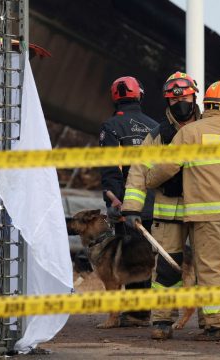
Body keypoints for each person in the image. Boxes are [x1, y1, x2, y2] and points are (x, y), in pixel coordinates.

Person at [145, 79, 220, 341]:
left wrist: (148, 179)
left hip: (209, 215)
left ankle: (218, 326)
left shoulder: (191, 133)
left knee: (211, 269)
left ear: (205, 103)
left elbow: (166, 168)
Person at [122, 71, 202, 340]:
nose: (181, 105)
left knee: (209, 267)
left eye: (186, 98)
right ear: (167, 102)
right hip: (168, 211)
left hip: (205, 211)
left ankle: (214, 322)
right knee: (167, 269)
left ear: (194, 98)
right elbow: (137, 172)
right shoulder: (158, 135)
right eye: (174, 100)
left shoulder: (208, 129)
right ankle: (162, 321)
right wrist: (132, 208)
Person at [99, 76, 158, 327]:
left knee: (131, 255)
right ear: (139, 95)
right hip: (155, 202)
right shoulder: (155, 126)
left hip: (126, 203)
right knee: (147, 255)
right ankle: (142, 311)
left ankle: (137, 314)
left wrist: (114, 200)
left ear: (115, 96)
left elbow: (111, 168)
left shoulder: (111, 127)